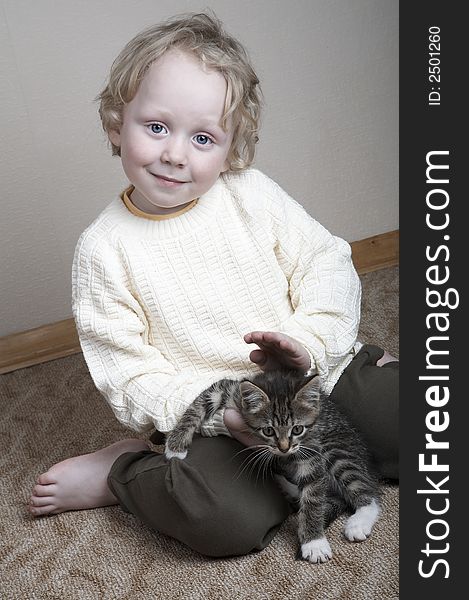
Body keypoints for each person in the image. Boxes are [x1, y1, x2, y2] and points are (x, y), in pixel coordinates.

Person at [28, 12, 398, 557]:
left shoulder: (252, 194)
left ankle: (369, 368)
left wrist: (313, 343)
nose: (175, 153)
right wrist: (218, 416)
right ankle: (124, 470)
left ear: (231, 148)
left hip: (311, 380)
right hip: (213, 420)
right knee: (220, 519)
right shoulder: (103, 249)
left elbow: (325, 261)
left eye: (203, 137)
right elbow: (130, 374)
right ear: (115, 122)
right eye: (156, 127)